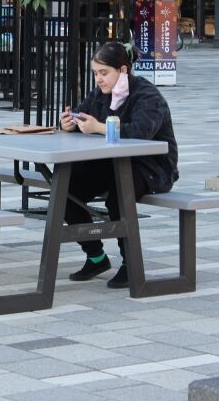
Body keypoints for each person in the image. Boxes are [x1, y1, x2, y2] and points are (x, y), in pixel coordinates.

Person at [58, 42, 179, 289]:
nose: (99, 79)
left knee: (118, 196)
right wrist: (68, 123)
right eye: (95, 73)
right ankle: (96, 257)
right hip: (113, 163)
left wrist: (99, 127)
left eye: (104, 73)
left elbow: (141, 132)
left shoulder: (147, 94)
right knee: (65, 189)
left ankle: (130, 263)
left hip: (152, 167)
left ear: (122, 70)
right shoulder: (100, 94)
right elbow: (83, 115)